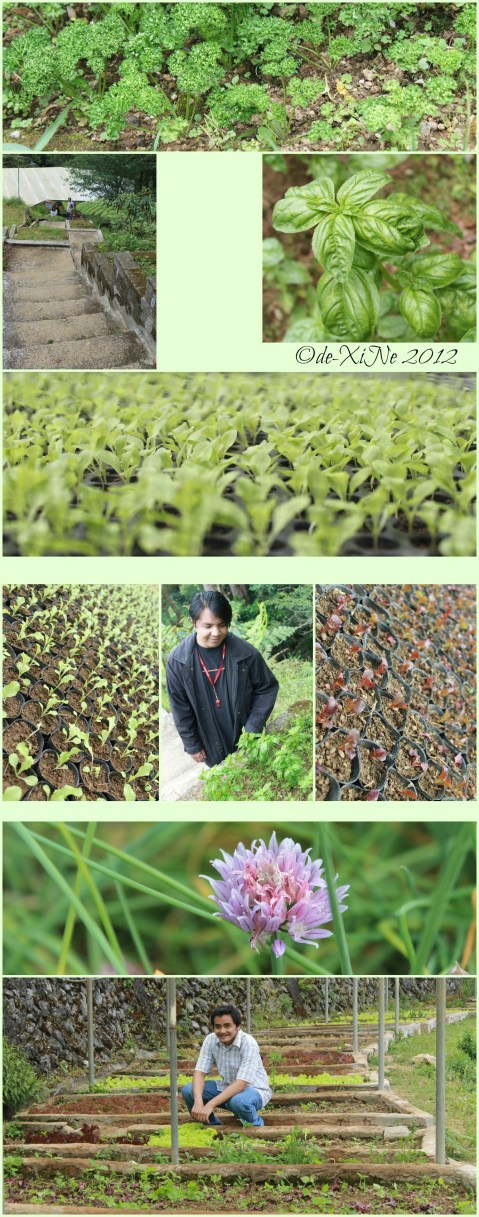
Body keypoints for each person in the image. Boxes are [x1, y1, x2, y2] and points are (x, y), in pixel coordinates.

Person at [166, 589, 279, 767]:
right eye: (208, 626)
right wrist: (192, 744)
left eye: (222, 625)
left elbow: (266, 688)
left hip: (247, 735)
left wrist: (252, 729)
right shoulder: (178, 662)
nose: (216, 632)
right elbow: (180, 706)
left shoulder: (246, 653)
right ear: (193, 623)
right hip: (210, 741)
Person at [181, 1004, 272, 1127]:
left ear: (238, 1026)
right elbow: (199, 1073)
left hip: (254, 1090)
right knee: (189, 1090)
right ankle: (212, 1126)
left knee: (239, 1101)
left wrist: (210, 1104)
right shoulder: (210, 1040)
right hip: (227, 1086)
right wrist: (198, 1102)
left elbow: (242, 1083)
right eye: (217, 1027)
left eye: (227, 1026)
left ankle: (256, 1125)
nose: (222, 1031)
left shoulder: (248, 1043)